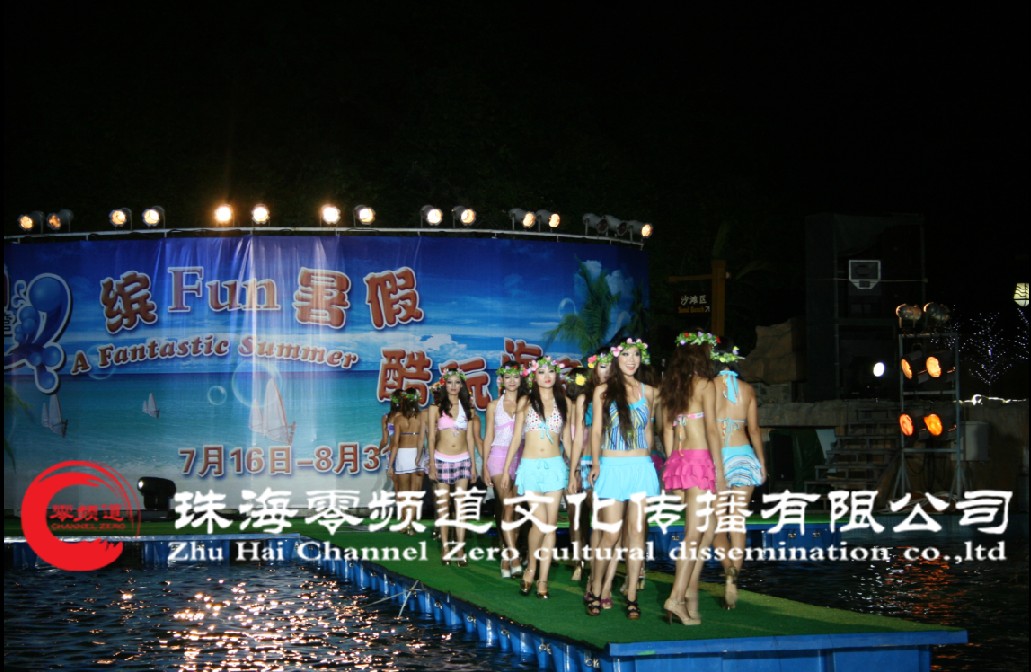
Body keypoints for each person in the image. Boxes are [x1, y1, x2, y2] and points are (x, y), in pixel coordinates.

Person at [585, 338, 658, 620]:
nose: (631, 360)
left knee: (637, 533)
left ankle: (631, 596)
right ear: (617, 358)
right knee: (611, 534)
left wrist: (649, 461)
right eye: (626, 354)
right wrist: (595, 463)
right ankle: (595, 588)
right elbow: (596, 431)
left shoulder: (649, 392)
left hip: (640, 466)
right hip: (612, 466)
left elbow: (649, 430)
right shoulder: (603, 391)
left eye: (636, 355)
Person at [659, 330, 724, 625]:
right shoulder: (705, 385)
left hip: (680, 461)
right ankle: (676, 598)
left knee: (700, 531)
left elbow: (668, 430)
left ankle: (685, 596)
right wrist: (719, 471)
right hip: (698, 461)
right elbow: (711, 430)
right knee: (693, 535)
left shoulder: (673, 387)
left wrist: (671, 467)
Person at [501, 355, 571, 599]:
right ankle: (531, 567)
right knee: (540, 521)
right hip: (530, 467)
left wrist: (574, 470)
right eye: (541, 372)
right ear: (534, 376)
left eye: (551, 371)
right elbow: (515, 439)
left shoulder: (564, 402)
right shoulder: (525, 401)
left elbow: (567, 440)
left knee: (550, 525)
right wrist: (507, 469)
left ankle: (543, 579)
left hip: (555, 467)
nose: (547, 376)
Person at [711, 345, 766, 609]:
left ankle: (727, 567)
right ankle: (735, 574)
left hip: (718, 459)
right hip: (744, 456)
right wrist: (762, 463)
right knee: (737, 521)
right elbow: (754, 430)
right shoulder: (747, 389)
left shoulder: (708, 387)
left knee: (716, 524)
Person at [427, 368, 478, 566]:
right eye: (450, 382)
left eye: (457, 382)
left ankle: (460, 547)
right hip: (441, 459)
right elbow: (431, 438)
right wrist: (432, 464)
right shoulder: (435, 408)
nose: (454, 386)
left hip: (463, 459)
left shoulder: (468, 408)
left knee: (461, 506)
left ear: (462, 385)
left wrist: (474, 465)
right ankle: (445, 546)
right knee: (444, 505)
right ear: (444, 385)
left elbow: (471, 439)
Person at [482, 360, 525, 578]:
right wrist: (484, 465)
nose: (512, 381)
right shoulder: (493, 405)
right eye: (508, 377)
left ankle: (507, 554)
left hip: (522, 458)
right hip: (498, 457)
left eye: (516, 376)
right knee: (507, 503)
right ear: (501, 380)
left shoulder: (528, 403)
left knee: (516, 509)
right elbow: (489, 435)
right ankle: (514, 555)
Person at [563, 366, 593, 583]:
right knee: (575, 517)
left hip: (592, 464)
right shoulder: (566, 404)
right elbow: (566, 437)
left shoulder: (593, 403)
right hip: (571, 463)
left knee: (595, 515)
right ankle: (578, 562)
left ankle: (593, 560)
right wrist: (573, 467)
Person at [386, 388, 425, 535]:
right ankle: (410, 524)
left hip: (402, 454)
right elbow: (429, 437)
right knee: (415, 492)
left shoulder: (399, 419)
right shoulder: (421, 417)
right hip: (417, 454)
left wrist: (390, 465)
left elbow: (395, 444)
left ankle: (405, 523)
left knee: (403, 492)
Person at [379, 392, 402, 491]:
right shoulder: (408, 417)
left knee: (397, 486)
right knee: (409, 486)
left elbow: (384, 441)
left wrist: (378, 450)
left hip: (393, 453)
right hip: (407, 452)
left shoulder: (386, 417)